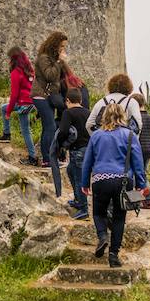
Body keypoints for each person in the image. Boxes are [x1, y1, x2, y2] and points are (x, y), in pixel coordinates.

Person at [81, 103, 146, 267]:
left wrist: (84, 183)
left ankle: (103, 236)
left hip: (100, 179)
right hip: (123, 181)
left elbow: (87, 161)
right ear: (122, 116)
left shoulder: (96, 135)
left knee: (98, 213)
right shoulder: (130, 135)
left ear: (104, 117)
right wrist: (141, 184)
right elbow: (138, 162)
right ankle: (113, 255)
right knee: (119, 218)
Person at [31, 31, 69, 167]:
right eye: (62, 46)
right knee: (50, 126)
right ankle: (48, 159)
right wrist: (59, 62)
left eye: (64, 47)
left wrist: (62, 63)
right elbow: (50, 76)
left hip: (49, 96)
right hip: (40, 95)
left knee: (47, 127)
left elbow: (61, 76)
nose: (63, 49)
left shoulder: (52, 59)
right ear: (55, 45)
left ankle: (48, 158)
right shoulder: (44, 58)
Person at [0, 46, 39, 166]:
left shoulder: (16, 72)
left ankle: (32, 157)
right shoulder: (29, 70)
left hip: (23, 104)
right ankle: (7, 134)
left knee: (25, 130)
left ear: (13, 59)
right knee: (3, 107)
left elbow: (14, 95)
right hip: (31, 102)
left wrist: (9, 112)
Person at [57, 86, 90, 219]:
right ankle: (78, 200)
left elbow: (63, 130)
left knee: (78, 178)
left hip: (77, 150)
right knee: (71, 171)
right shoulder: (87, 112)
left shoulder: (68, 113)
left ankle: (83, 208)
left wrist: (60, 145)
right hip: (88, 149)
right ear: (81, 100)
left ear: (68, 100)